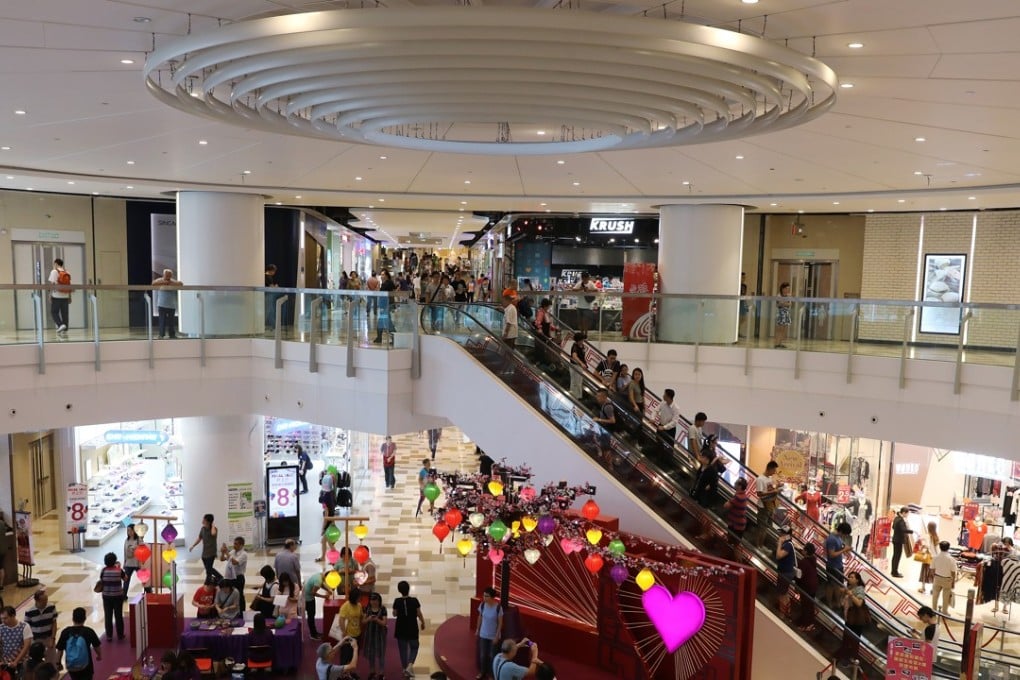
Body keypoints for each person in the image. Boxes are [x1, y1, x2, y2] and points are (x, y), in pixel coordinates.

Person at [55, 607, 101, 680]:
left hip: (71, 665)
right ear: (84, 618)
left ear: (73, 618)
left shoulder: (66, 632)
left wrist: (58, 663)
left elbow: (60, 649)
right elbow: (97, 646)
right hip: (86, 666)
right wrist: (99, 655)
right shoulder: (89, 631)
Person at [393, 580, 425, 678]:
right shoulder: (414, 601)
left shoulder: (397, 601)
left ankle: (404, 668)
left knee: (403, 650)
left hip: (401, 628)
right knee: (414, 647)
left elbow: (394, 614)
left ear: (399, 590)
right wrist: (423, 622)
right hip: (412, 628)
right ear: (408, 589)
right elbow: (419, 613)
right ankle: (410, 665)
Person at [824, 523, 854, 608]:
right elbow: (831, 554)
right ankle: (829, 603)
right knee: (831, 585)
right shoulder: (832, 539)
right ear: (841, 531)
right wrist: (844, 549)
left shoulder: (838, 538)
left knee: (838, 585)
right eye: (845, 534)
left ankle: (837, 602)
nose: (845, 536)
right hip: (832, 566)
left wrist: (845, 549)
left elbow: (839, 549)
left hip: (839, 565)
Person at [476, 587, 503, 680]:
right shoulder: (482, 605)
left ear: (492, 597)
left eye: (486, 596)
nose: (484, 597)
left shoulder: (498, 608)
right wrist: (477, 629)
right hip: (483, 634)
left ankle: (491, 675)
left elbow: (500, 623)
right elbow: (480, 617)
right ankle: (482, 672)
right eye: (484, 595)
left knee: (492, 656)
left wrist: (496, 636)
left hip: (493, 636)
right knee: (483, 655)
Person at [24, 590, 57, 663]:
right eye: (43, 600)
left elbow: (54, 623)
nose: (46, 602)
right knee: (36, 661)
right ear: (36, 600)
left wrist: (53, 638)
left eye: (46, 599)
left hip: (48, 638)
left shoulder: (51, 607)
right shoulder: (29, 611)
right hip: (36, 639)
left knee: (52, 660)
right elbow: (27, 628)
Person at [99, 552, 126, 641]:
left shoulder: (103, 571)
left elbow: (101, 579)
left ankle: (109, 636)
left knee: (108, 616)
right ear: (114, 561)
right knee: (118, 615)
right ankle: (120, 635)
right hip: (118, 596)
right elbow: (126, 578)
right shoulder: (119, 570)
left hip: (106, 596)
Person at [188, 514, 221, 582]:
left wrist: (213, 525)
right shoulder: (202, 529)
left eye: (204, 519)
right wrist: (193, 546)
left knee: (209, 569)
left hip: (211, 553)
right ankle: (216, 579)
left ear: (208, 521)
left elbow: (213, 533)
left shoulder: (214, 529)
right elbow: (199, 538)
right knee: (208, 569)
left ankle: (211, 581)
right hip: (204, 553)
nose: (202, 521)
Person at [795, 543, 820, 633]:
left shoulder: (803, 562)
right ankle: (810, 623)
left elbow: (800, 575)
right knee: (810, 605)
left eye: (804, 549)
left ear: (806, 551)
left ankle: (805, 624)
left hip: (806, 586)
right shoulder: (813, 559)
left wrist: (796, 584)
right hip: (814, 585)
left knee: (805, 606)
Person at [152, 268, 183, 339]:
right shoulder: (159, 280)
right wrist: (164, 283)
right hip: (162, 304)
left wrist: (170, 283)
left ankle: (172, 334)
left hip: (171, 305)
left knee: (171, 322)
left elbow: (181, 284)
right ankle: (161, 334)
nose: (168, 277)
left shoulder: (173, 281)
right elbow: (153, 283)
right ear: (164, 275)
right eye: (167, 275)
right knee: (162, 321)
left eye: (169, 275)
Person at [363, 592, 388, 679]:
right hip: (369, 635)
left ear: (379, 601)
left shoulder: (383, 609)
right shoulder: (367, 608)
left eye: (376, 600)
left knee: (381, 654)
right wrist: (368, 619)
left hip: (380, 636)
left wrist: (377, 619)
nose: (374, 602)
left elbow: (384, 623)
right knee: (371, 654)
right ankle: (372, 671)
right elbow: (363, 621)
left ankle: (381, 673)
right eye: (372, 600)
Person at [220, 536, 248, 613]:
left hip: (239, 578)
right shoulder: (232, 552)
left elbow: (235, 562)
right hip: (231, 577)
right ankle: (233, 611)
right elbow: (222, 559)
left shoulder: (244, 554)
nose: (234, 545)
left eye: (236, 544)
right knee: (231, 595)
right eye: (234, 544)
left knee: (240, 595)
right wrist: (222, 552)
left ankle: (242, 612)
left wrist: (226, 552)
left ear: (241, 545)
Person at [0, 606, 31, 675]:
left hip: (22, 662)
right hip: (6, 663)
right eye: (1, 619)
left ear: (13, 615)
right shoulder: (1, 628)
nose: (3, 621)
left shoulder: (24, 626)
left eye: (5, 618)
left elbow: (26, 646)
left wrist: (16, 661)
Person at [775, 526, 796, 620]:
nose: (780, 535)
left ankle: (782, 615)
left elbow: (779, 556)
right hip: (787, 572)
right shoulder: (787, 544)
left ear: (787, 535)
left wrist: (779, 543)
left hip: (785, 573)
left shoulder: (787, 545)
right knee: (785, 593)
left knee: (782, 594)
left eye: (782, 534)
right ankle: (788, 612)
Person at [931, 541, 957, 613]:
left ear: (940, 547)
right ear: (948, 548)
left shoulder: (935, 557)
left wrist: (935, 576)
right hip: (947, 579)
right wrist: (953, 581)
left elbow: (932, 569)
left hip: (937, 578)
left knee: (935, 596)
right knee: (946, 597)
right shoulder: (951, 559)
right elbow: (953, 572)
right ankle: (944, 612)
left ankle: (933, 611)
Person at [592, 389, 616, 464]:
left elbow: (613, 420)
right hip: (604, 430)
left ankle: (609, 465)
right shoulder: (604, 405)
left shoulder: (607, 407)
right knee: (604, 447)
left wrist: (599, 419)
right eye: (597, 396)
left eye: (599, 396)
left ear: (604, 397)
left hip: (607, 430)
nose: (597, 397)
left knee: (606, 449)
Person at [303, 570, 328, 639]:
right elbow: (313, 593)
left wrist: (328, 590)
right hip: (308, 599)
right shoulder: (318, 581)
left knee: (311, 615)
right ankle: (313, 634)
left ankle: (314, 632)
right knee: (311, 616)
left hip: (307, 596)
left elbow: (321, 585)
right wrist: (324, 596)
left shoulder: (319, 575)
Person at [48, 258, 71, 334]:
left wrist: (50, 295)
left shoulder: (54, 271)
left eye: (54, 264)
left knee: (54, 312)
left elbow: (52, 284)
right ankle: (65, 329)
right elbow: (69, 286)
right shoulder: (67, 272)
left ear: (56, 264)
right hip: (65, 296)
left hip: (56, 296)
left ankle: (60, 325)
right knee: (65, 313)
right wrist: (70, 296)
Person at [891, 507, 914, 578]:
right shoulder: (901, 520)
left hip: (895, 539)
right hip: (899, 540)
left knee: (895, 556)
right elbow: (903, 529)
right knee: (897, 556)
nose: (907, 515)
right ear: (904, 512)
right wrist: (911, 531)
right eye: (907, 514)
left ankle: (893, 571)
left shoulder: (896, 518)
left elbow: (893, 527)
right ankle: (895, 572)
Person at [918, 521, 939, 594]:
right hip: (934, 558)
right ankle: (933, 589)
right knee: (933, 573)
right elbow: (937, 549)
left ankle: (923, 588)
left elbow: (926, 545)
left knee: (924, 572)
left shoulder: (927, 536)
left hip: (927, 556)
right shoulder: (936, 536)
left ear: (928, 527)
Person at [122, 524, 141, 595]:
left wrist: (141, 563)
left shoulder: (139, 540)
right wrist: (124, 562)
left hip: (137, 564)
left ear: (134, 531)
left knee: (144, 579)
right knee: (126, 580)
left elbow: (141, 552)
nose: (128, 532)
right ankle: (123, 596)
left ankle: (149, 593)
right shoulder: (126, 540)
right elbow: (125, 552)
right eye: (127, 530)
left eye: (129, 530)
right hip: (128, 564)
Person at [568, 332, 587, 400]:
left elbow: (582, 355)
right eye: (581, 340)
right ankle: (574, 397)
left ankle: (579, 397)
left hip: (579, 366)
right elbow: (574, 356)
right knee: (574, 382)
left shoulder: (582, 346)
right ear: (578, 340)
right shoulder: (575, 346)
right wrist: (581, 363)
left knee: (579, 382)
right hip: (574, 366)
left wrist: (584, 363)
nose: (582, 341)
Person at [774, 282, 792, 348]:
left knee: (784, 329)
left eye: (788, 289)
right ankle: (777, 343)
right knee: (779, 329)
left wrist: (783, 303)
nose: (787, 290)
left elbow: (789, 304)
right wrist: (784, 303)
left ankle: (780, 343)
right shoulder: (779, 295)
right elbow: (778, 304)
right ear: (783, 288)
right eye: (786, 288)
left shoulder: (789, 295)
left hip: (786, 312)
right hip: (781, 312)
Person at [265, 264, 282, 329]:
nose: (274, 273)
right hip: (268, 296)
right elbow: (271, 287)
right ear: (271, 270)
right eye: (274, 271)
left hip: (267, 295)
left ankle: (275, 325)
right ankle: (274, 325)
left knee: (270, 310)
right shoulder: (268, 277)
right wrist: (276, 286)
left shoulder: (265, 276)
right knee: (268, 310)